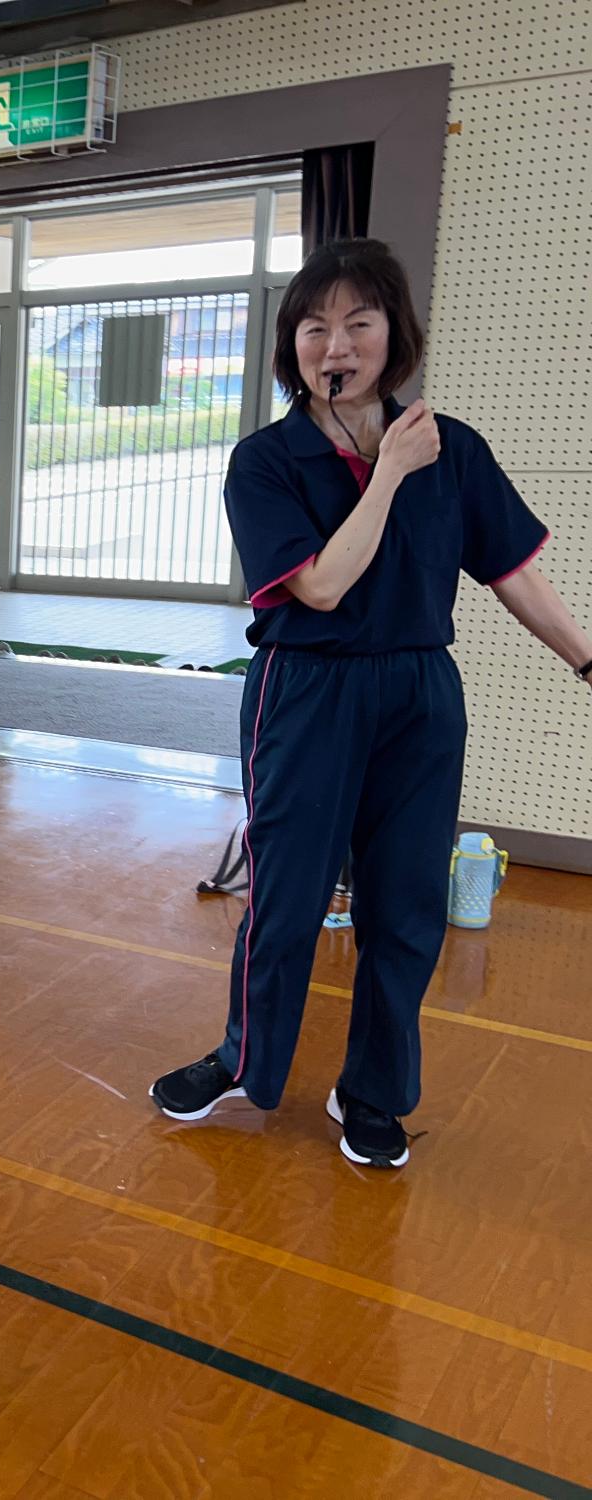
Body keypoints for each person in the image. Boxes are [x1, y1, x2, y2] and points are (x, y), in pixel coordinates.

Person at [149, 238, 592, 1170]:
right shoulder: (265, 461)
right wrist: (389, 471)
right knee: (287, 898)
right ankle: (244, 1062)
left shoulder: (453, 448)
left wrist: (588, 662)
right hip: (308, 690)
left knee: (406, 905)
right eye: (315, 328)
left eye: (359, 322)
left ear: (395, 335)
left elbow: (512, 570)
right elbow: (318, 587)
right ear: (292, 347)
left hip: (420, 693)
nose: (336, 344)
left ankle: (376, 1093)